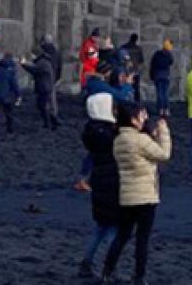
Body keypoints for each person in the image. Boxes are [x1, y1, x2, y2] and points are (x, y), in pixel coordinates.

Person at [102, 100, 171, 285]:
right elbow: (163, 154)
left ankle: (107, 271)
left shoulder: (119, 140)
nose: (145, 118)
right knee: (142, 239)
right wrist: (163, 131)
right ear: (133, 120)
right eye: (142, 115)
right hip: (146, 196)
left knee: (123, 235)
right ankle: (139, 277)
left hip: (127, 195)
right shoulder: (140, 140)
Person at [78, 92, 122, 278]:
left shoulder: (92, 131)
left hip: (99, 181)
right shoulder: (108, 134)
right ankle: (110, 269)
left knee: (101, 228)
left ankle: (86, 264)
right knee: (112, 229)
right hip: (112, 181)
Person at [29, 39, 61, 129]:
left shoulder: (42, 62)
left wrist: (23, 64)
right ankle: (52, 121)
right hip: (47, 85)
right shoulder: (45, 60)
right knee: (47, 104)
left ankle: (51, 122)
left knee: (44, 105)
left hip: (45, 86)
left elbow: (34, 70)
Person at [0, 52, 21, 134]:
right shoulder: (10, 71)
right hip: (6, 96)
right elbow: (14, 84)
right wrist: (18, 94)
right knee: (9, 114)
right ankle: (10, 130)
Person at [148, 39, 175, 117]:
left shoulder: (157, 54)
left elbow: (152, 65)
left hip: (157, 76)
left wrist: (151, 75)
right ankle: (166, 110)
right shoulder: (169, 55)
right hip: (166, 76)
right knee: (165, 93)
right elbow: (171, 62)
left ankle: (160, 110)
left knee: (159, 93)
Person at [122, 34, 145, 102]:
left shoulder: (124, 47)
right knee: (136, 88)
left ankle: (126, 102)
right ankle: (136, 103)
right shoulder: (138, 48)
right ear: (136, 40)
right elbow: (141, 60)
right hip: (135, 71)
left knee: (125, 87)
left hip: (125, 71)